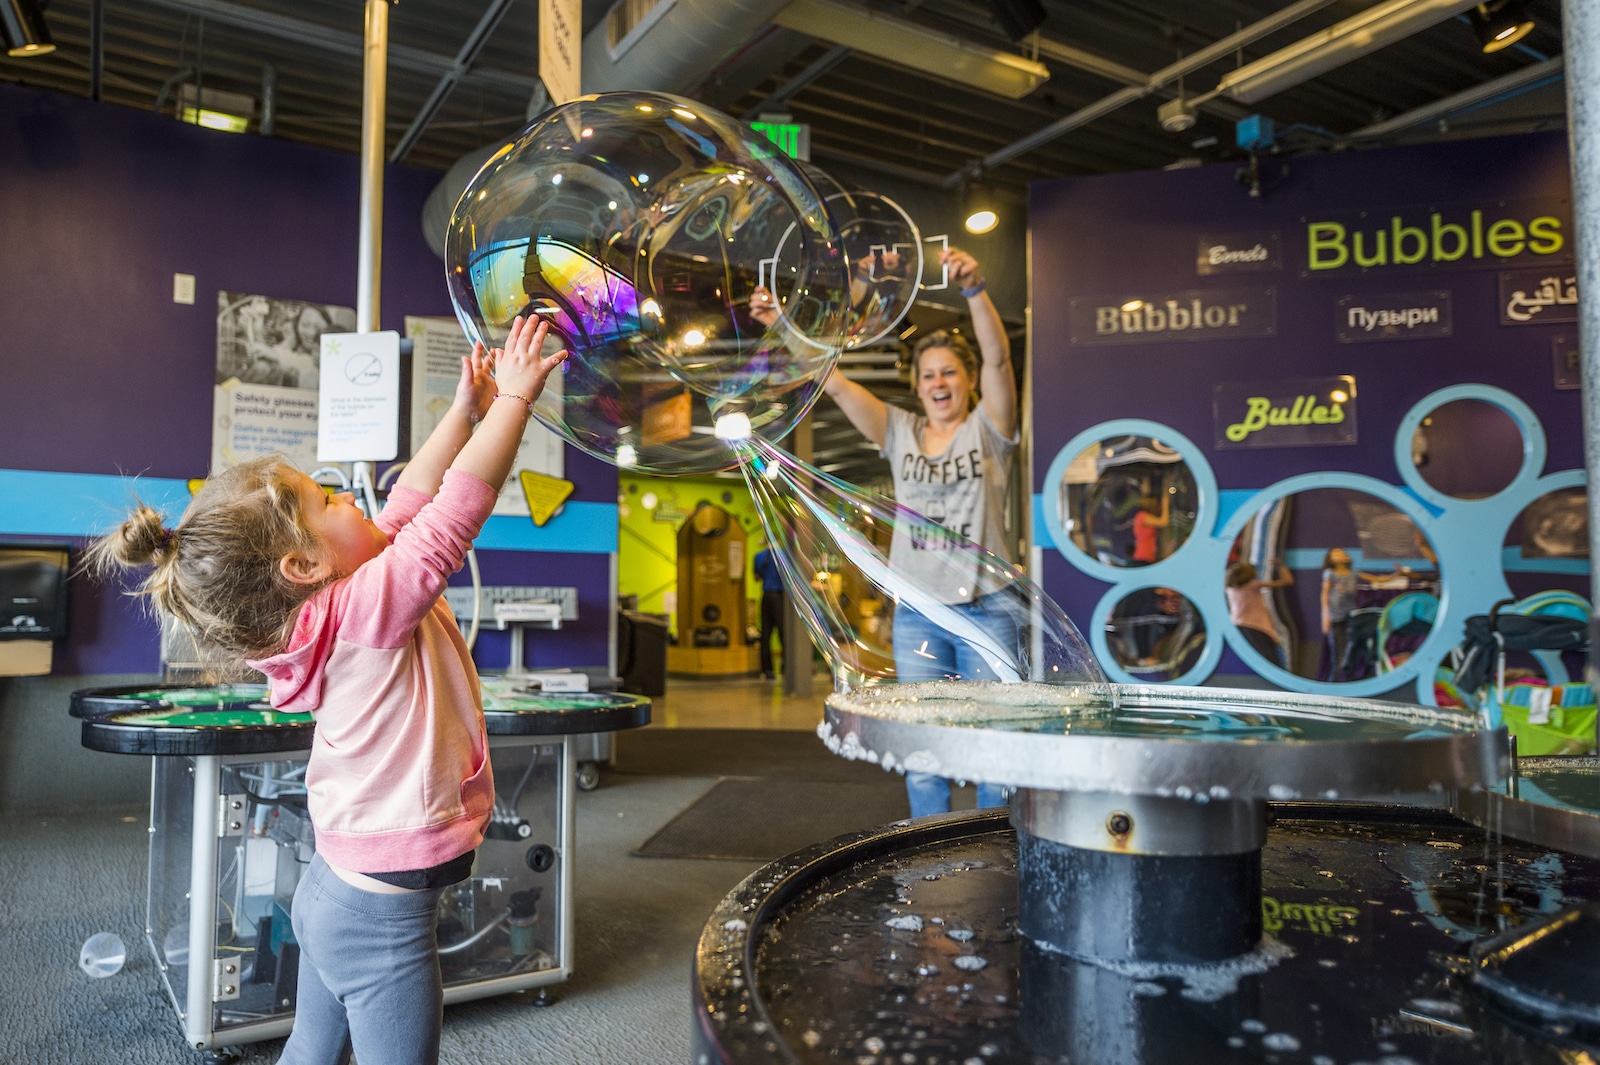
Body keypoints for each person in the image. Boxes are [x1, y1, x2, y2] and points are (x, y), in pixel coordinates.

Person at [87, 316, 568, 1065]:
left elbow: (408, 504)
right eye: (330, 502)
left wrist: (460, 412)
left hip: (338, 882)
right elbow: (449, 517)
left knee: (313, 1046)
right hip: (381, 917)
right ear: (302, 566)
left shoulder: (336, 604)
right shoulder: (363, 609)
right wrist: (512, 400)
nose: (356, 503)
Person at [757, 248, 1017, 818]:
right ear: (918, 386)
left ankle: (997, 853)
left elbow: (1000, 362)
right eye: (928, 375)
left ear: (969, 380)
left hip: (988, 609)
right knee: (922, 746)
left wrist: (975, 291)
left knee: (995, 744)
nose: (939, 382)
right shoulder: (899, 431)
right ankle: (932, 853)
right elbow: (838, 385)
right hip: (919, 610)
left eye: (950, 371)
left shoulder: (990, 429)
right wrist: (782, 325)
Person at [1321, 547, 1389, 681]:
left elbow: (1377, 580)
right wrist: (1325, 616)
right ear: (1331, 559)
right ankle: (1333, 686)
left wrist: (1396, 575)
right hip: (1336, 618)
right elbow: (1324, 594)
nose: (1339, 554)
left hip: (1351, 616)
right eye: (1335, 553)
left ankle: (1353, 683)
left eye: (1341, 552)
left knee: (1352, 651)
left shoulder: (1354, 573)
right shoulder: (1330, 573)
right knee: (1339, 655)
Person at [1226, 560, 1293, 667]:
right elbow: (1287, 581)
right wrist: (1281, 566)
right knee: (1270, 660)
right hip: (1256, 627)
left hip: (1237, 625)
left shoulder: (1230, 589)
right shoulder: (1253, 585)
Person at [751, 543, 784, 680]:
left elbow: (757, 578)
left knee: (765, 634)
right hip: (780, 596)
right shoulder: (783, 556)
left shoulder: (759, 557)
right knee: (784, 634)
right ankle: (786, 668)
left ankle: (767, 670)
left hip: (766, 596)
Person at [1130, 491, 1170, 564]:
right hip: (1143, 556)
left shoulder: (1141, 516)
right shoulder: (1142, 516)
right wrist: (1165, 506)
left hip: (1147, 556)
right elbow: (1164, 522)